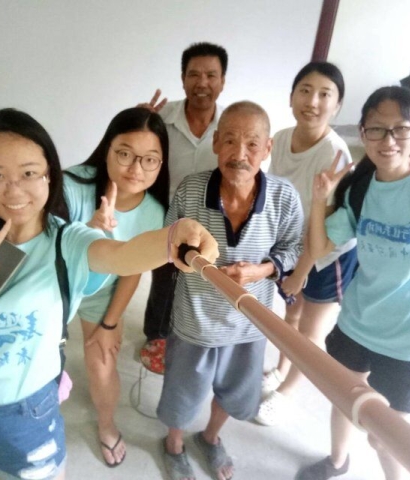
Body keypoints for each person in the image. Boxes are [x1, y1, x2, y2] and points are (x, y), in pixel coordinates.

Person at [0, 108, 218, 480]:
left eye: (28, 173)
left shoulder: (68, 240)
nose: (14, 190)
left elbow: (122, 255)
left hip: (26, 416)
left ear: (50, 174)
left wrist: (176, 235)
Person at [298, 86, 410, 480]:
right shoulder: (361, 188)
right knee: (345, 402)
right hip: (356, 323)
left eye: (400, 129)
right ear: (363, 133)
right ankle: (337, 461)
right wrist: (320, 199)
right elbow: (320, 247)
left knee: (388, 438)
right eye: (377, 129)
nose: (388, 140)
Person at [157, 101, 304, 480]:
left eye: (252, 144)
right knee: (182, 392)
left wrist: (261, 270)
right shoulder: (191, 189)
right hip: (195, 321)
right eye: (230, 141)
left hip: (251, 324)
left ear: (267, 148)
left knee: (237, 391)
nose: (240, 154)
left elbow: (293, 249)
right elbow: (169, 240)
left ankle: (210, 437)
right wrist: (192, 258)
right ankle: (173, 444)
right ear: (216, 144)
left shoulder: (284, 197)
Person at [62, 107, 169, 467]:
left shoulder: (154, 213)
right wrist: (89, 230)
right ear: (107, 148)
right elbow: (44, 250)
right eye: (125, 153)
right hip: (57, 286)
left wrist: (109, 323)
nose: (136, 168)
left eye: (149, 159)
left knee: (103, 363)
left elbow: (131, 271)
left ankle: (106, 425)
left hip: (102, 293)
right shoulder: (72, 185)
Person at [256, 62, 357, 425]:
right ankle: (281, 369)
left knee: (311, 333)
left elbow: (324, 230)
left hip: (328, 255)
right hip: (295, 246)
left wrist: (300, 272)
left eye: (324, 94)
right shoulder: (282, 138)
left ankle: (286, 392)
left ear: (337, 105)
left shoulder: (335, 154)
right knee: (291, 316)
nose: (312, 102)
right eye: (305, 91)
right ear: (291, 97)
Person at [137, 41, 228, 373]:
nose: (202, 83)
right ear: (182, 78)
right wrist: (138, 122)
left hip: (209, 217)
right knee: (163, 277)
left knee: (198, 280)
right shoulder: (161, 117)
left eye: (211, 75)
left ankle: (189, 337)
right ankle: (156, 334)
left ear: (222, 81)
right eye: (194, 74)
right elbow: (137, 152)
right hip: (165, 213)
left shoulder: (229, 124)